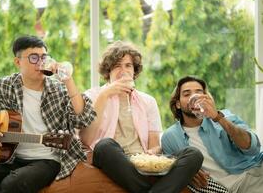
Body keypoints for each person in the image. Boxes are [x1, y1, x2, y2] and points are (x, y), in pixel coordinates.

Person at [0, 35, 96, 193]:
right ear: (18, 62)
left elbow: (83, 117)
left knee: (11, 185)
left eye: (43, 57)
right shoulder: (5, 86)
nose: (40, 62)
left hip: (47, 160)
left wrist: (68, 80)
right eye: (34, 57)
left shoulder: (58, 90)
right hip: (9, 158)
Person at [80, 41, 203, 193]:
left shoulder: (148, 101)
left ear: (134, 71)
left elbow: (154, 145)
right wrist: (106, 94)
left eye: (128, 65)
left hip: (141, 161)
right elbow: (86, 139)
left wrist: (153, 152)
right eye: (117, 65)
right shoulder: (93, 95)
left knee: (194, 154)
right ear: (108, 70)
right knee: (104, 145)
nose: (123, 70)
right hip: (112, 158)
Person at [161, 75, 263, 193]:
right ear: (178, 104)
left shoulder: (226, 117)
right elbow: (173, 169)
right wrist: (188, 173)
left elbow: (253, 148)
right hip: (218, 189)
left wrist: (217, 117)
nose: (194, 97)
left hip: (252, 175)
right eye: (186, 94)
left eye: (199, 92)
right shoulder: (170, 137)